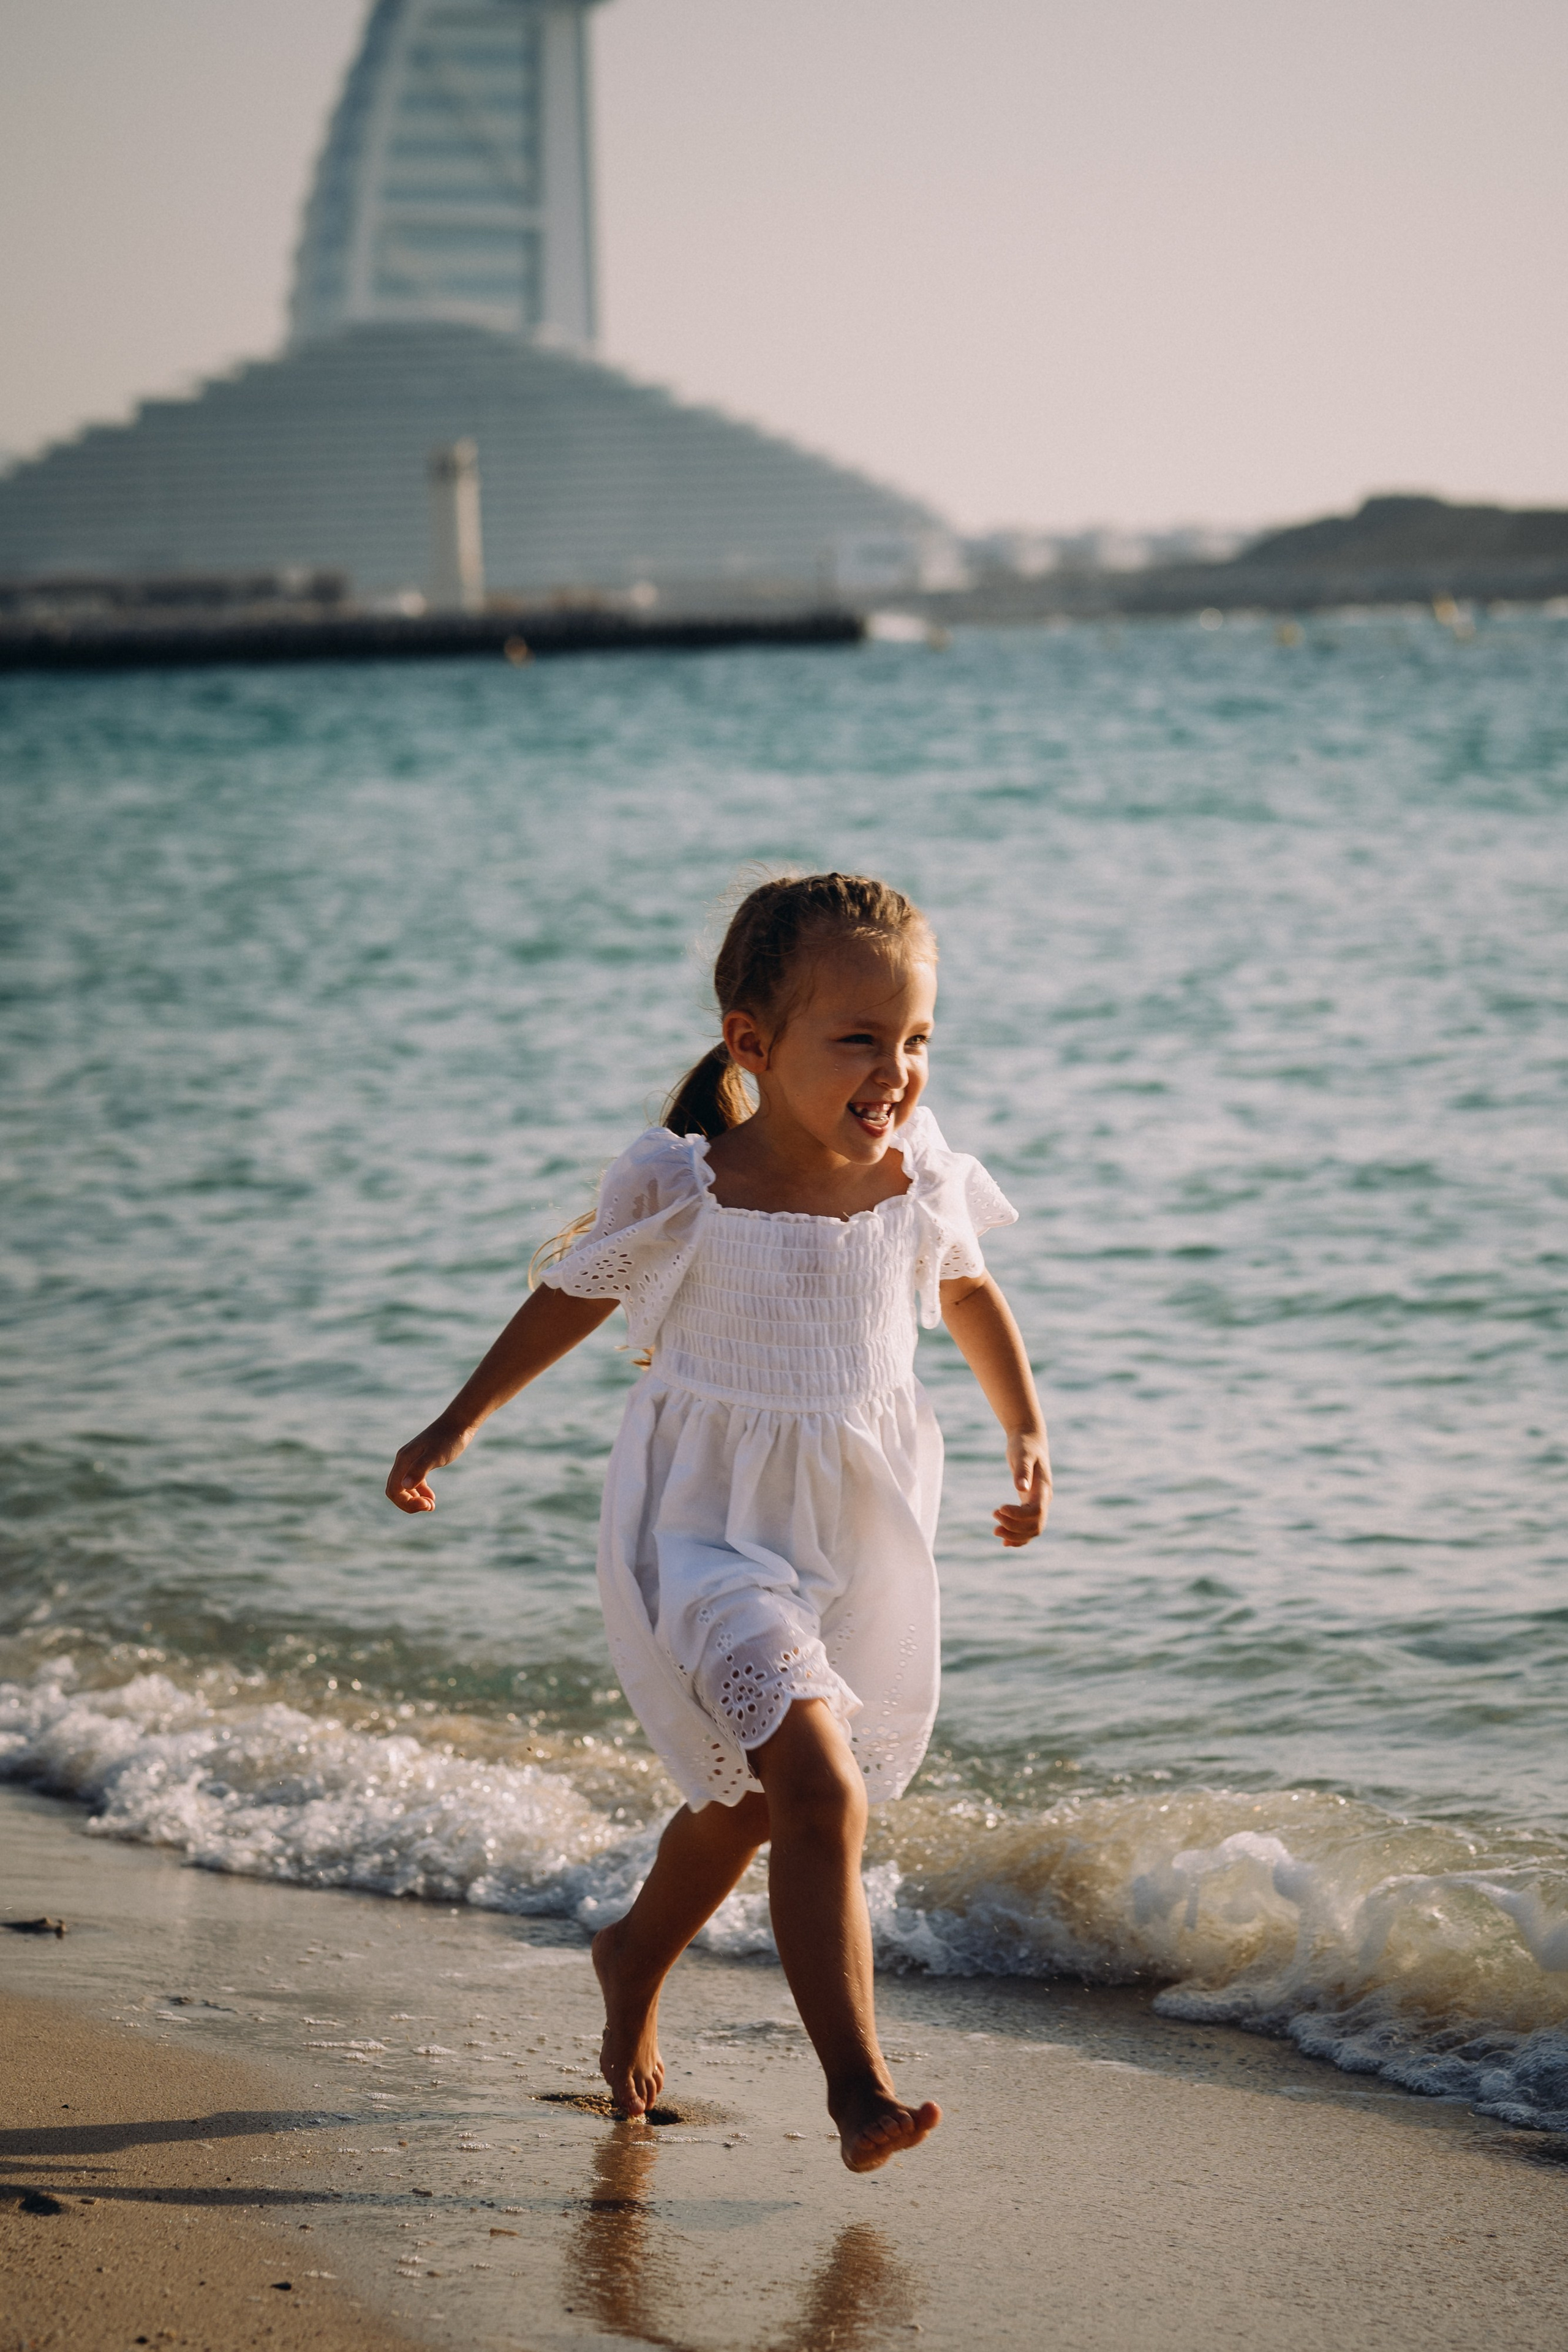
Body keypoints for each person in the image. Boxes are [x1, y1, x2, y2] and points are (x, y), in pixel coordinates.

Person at [386, 872, 1050, 2172]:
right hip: (705, 1534)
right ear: (753, 1044)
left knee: (755, 1806)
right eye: (857, 1039)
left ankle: (630, 1956)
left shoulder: (916, 1178)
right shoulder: (689, 1187)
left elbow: (966, 1292)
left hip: (858, 1534)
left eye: (915, 1039)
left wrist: (1024, 1432)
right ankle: (856, 2088)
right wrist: (457, 1420)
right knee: (816, 1785)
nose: (894, 1070)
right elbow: (573, 1297)